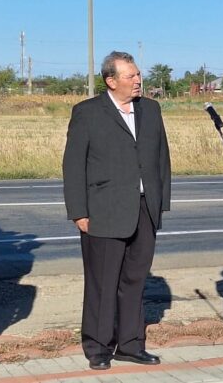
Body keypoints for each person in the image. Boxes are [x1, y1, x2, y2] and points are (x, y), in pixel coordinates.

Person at [63, 51, 171, 370]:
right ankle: (97, 346)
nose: (137, 80)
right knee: (102, 283)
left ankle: (130, 343)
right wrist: (79, 212)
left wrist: (159, 204)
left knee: (135, 280)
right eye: (130, 76)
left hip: (144, 209)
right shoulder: (88, 112)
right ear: (111, 81)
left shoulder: (151, 109)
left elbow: (161, 158)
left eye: (138, 74)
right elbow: (73, 165)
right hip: (103, 211)